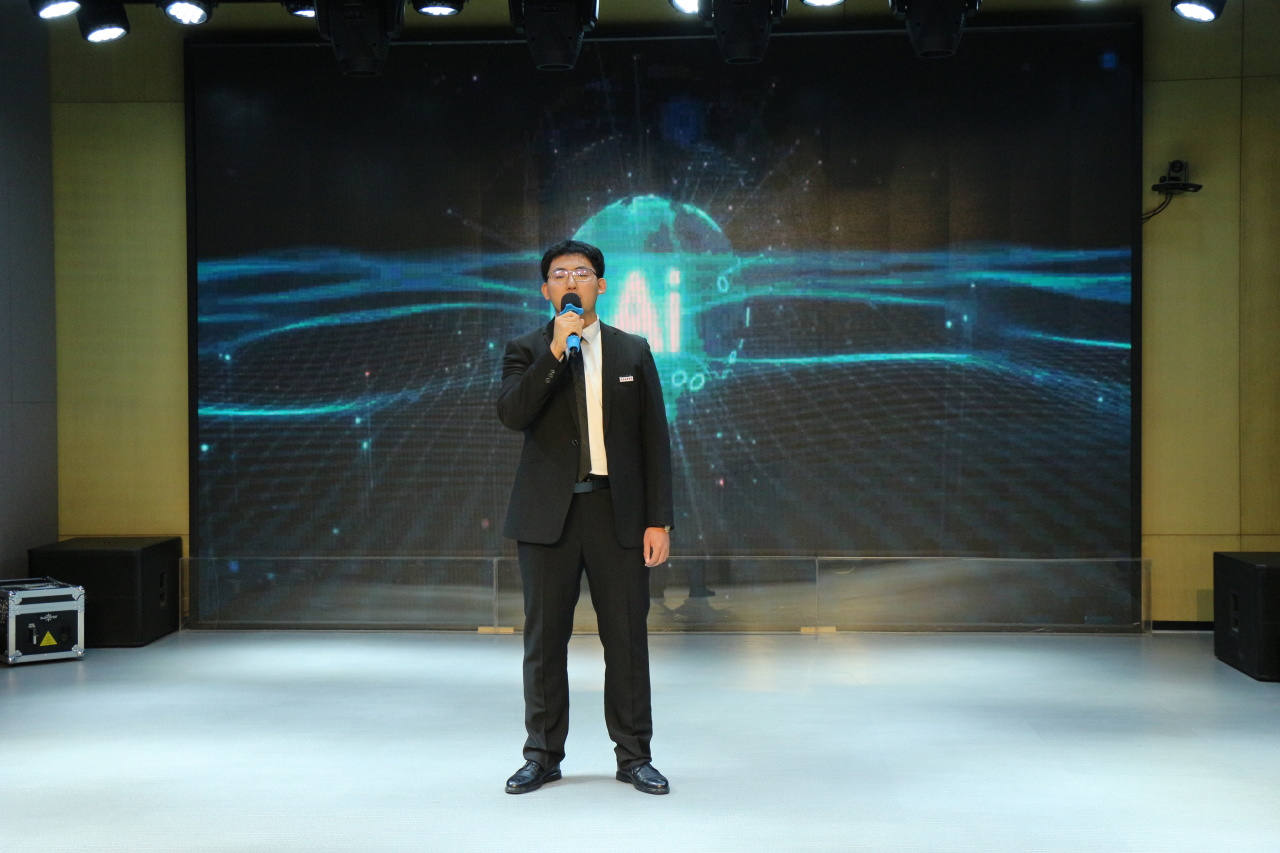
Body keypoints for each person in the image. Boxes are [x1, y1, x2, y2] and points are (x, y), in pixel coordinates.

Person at [496, 239, 675, 795]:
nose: (570, 280)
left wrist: (658, 520)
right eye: (559, 273)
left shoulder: (631, 351)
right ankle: (542, 755)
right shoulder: (526, 350)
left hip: (616, 512)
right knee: (544, 642)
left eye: (581, 272)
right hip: (546, 518)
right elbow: (512, 413)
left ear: (601, 284)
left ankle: (634, 756)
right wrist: (556, 351)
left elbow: (654, 440)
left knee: (626, 639)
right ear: (545, 289)